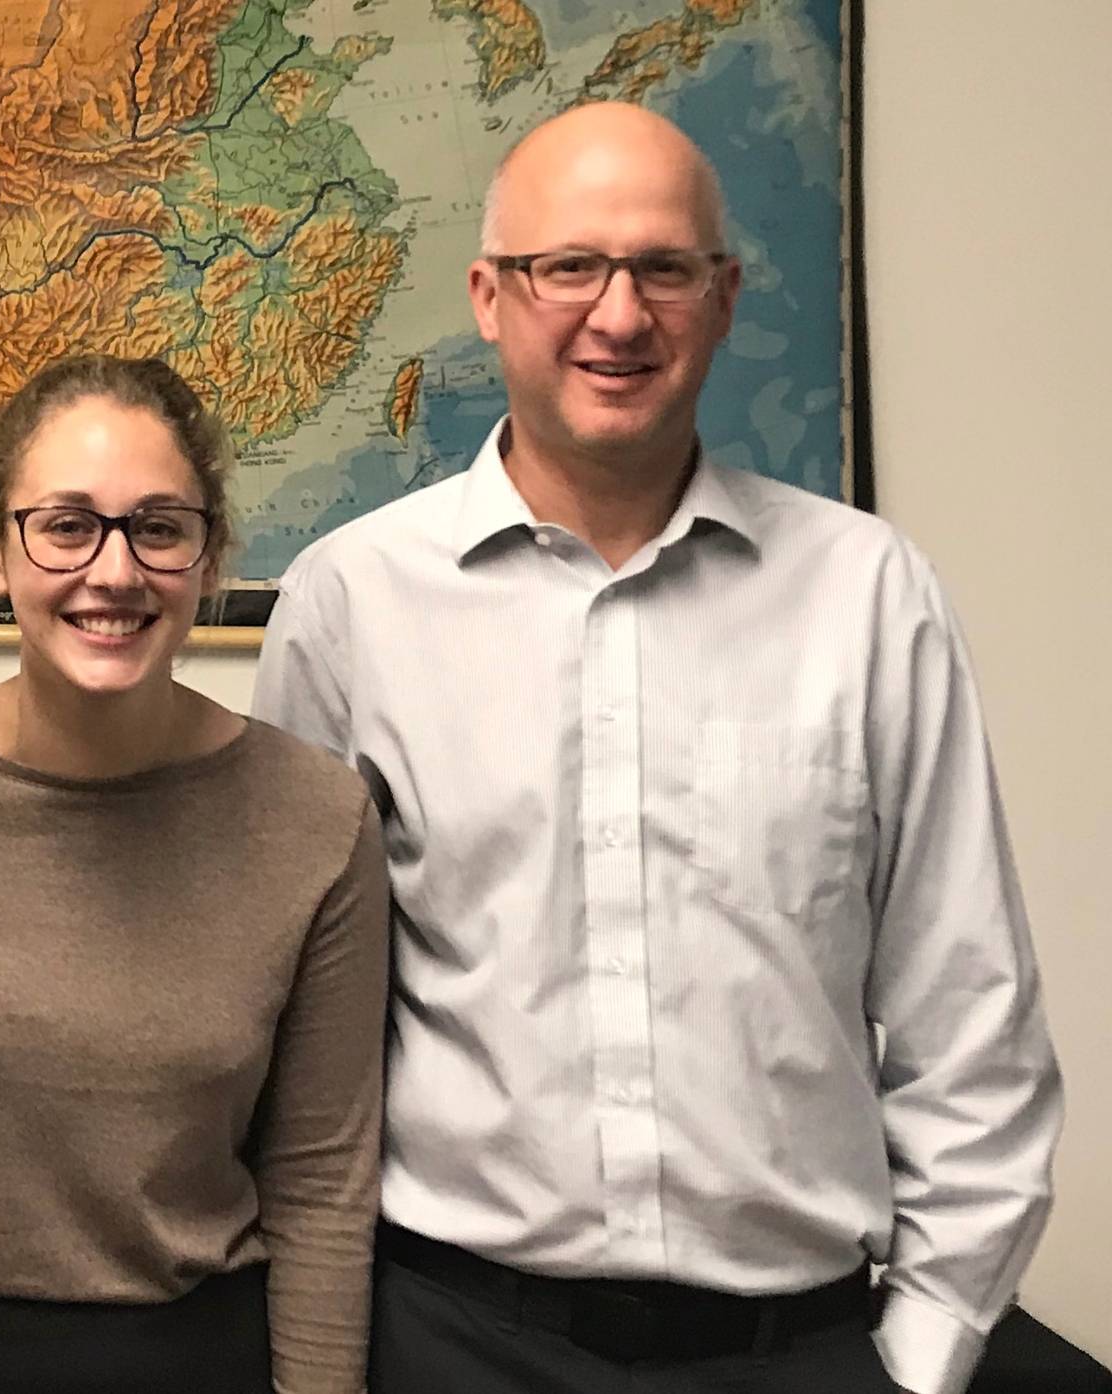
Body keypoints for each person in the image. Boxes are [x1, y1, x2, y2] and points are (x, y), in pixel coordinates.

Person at [252, 102, 1062, 1394]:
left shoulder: (869, 595)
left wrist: (921, 1361)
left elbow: (974, 1024)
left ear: (726, 296)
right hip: (455, 1345)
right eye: (569, 265)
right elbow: (292, 1027)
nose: (618, 316)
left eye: (663, 268)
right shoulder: (352, 602)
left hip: (798, 1351)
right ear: (488, 294)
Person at [0, 355, 391, 1393]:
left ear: (208, 560)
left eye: (157, 526)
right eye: (65, 524)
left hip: (188, 1352)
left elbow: (319, 1184)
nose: (112, 571)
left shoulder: (315, 819)